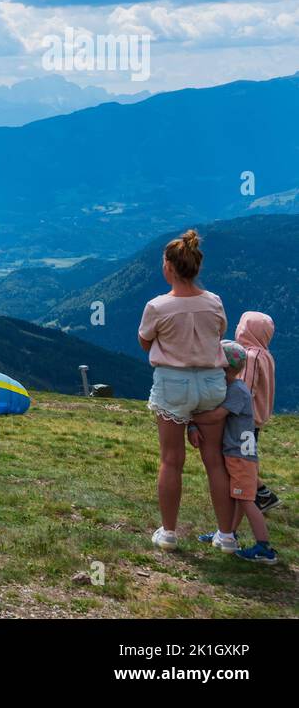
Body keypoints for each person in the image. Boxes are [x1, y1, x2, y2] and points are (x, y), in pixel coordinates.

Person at [138, 229, 235, 551]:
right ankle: (226, 535)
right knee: (215, 462)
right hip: (211, 383)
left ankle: (168, 533)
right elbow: (218, 333)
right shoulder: (214, 302)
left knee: (171, 460)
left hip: (173, 383)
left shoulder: (157, 306)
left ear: (169, 267)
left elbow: (145, 341)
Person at [191, 342, 279, 564]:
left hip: (240, 455)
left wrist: (190, 420)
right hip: (240, 453)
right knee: (240, 497)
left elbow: (216, 416)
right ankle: (227, 532)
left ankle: (264, 547)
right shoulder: (236, 388)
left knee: (247, 500)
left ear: (224, 368)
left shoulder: (237, 391)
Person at [235, 311, 280, 513]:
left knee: (241, 459)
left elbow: (245, 389)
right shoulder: (266, 355)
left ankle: (257, 496)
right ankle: (258, 493)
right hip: (256, 418)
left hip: (245, 418)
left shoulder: (250, 356)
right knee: (247, 456)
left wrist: (229, 410)